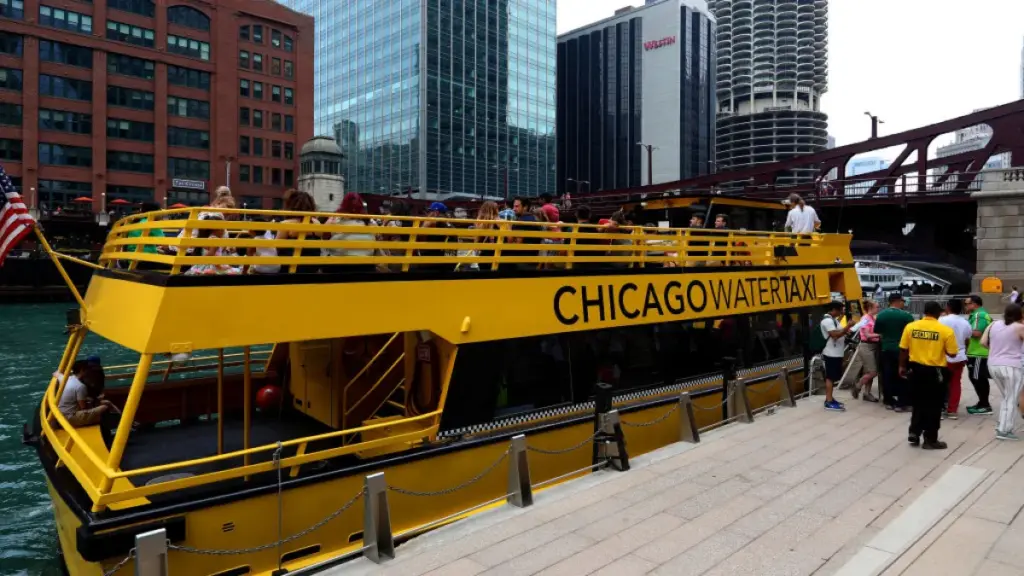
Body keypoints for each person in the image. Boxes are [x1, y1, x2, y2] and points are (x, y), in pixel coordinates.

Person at [899, 301, 958, 449]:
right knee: (934, 405)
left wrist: (901, 366)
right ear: (938, 313)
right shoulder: (945, 330)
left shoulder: (911, 327)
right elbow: (952, 353)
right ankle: (930, 439)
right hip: (935, 371)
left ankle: (914, 432)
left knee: (918, 402)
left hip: (915, 369)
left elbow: (904, 349)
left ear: (925, 312)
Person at [980, 304, 1024, 440]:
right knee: (1011, 398)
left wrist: (997, 350)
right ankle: (1004, 430)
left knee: (1007, 396)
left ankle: (1001, 424)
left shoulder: (993, 324)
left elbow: (983, 342)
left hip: (993, 364)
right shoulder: (1020, 327)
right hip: (1012, 365)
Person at [875, 293, 914, 411]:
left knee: (887, 375)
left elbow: (877, 331)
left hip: (886, 348)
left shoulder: (881, 315)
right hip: (902, 349)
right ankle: (902, 403)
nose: (904, 303)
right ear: (898, 301)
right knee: (903, 374)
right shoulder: (906, 316)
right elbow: (911, 333)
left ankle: (888, 401)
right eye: (903, 301)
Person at [323, 192, 376, 273]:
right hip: (366, 267)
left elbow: (323, 235)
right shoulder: (369, 222)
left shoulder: (336, 219)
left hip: (339, 267)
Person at [939, 298, 972, 419]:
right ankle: (952, 410)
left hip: (943, 356)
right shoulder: (965, 323)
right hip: (959, 356)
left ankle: (940, 408)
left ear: (948, 307)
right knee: (955, 383)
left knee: (941, 383)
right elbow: (967, 340)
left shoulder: (941, 320)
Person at [276, 190, 322, 274]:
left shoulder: (286, 224)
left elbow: (276, 249)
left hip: (290, 270)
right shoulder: (317, 223)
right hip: (312, 270)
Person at [965, 295, 993, 415]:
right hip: (977, 352)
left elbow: (977, 333)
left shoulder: (979, 315)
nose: (965, 306)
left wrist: (962, 331)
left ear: (975, 304)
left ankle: (985, 405)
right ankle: (982, 403)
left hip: (978, 353)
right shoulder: (979, 314)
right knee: (977, 378)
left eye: (967, 303)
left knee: (978, 379)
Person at [820, 301, 851, 411]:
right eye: (840, 310)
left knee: (833, 377)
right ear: (834, 310)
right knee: (830, 377)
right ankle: (828, 402)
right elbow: (834, 335)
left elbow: (840, 331)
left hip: (836, 353)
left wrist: (846, 331)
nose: (842, 312)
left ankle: (830, 398)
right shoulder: (827, 321)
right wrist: (848, 326)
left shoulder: (833, 320)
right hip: (831, 354)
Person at [850, 300, 881, 403]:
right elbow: (867, 335)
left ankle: (867, 393)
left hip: (874, 345)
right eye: (877, 307)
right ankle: (858, 386)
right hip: (867, 346)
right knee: (873, 372)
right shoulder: (865, 319)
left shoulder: (872, 318)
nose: (878, 309)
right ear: (870, 308)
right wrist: (880, 335)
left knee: (869, 371)